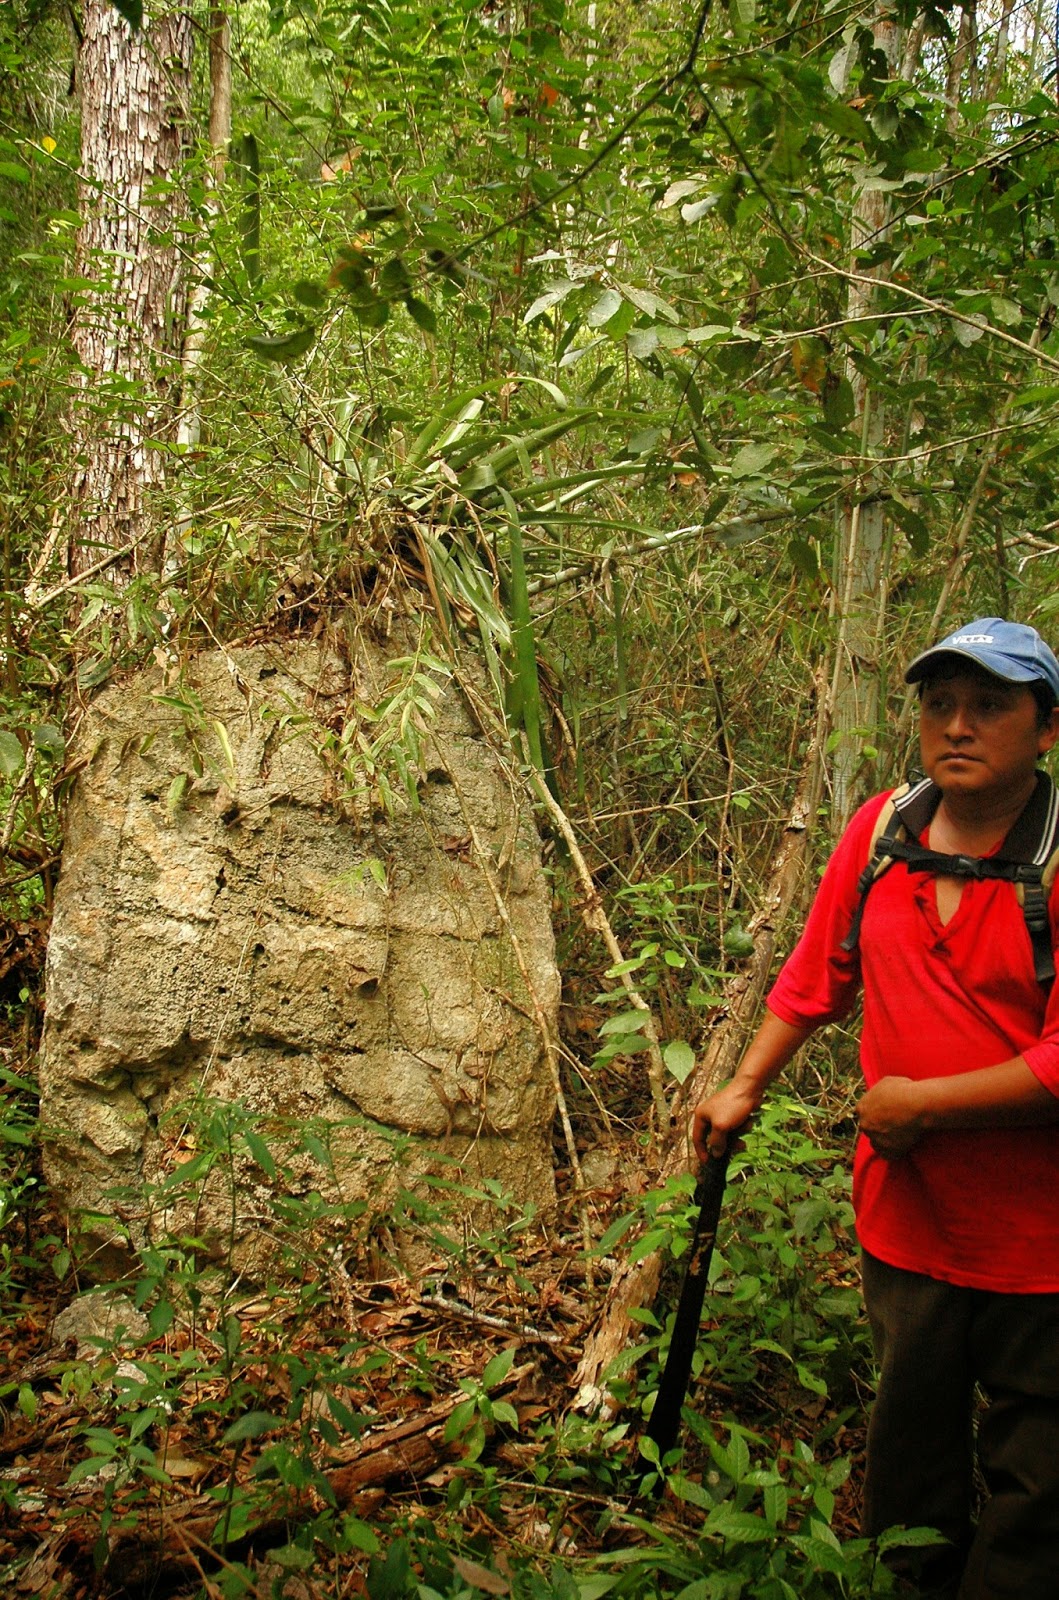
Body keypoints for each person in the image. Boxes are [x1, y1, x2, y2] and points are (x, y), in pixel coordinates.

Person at [692, 617, 1059, 1600]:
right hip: (909, 1222)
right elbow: (820, 975)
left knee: (1039, 1486)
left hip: (1043, 1245)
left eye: (990, 704)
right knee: (910, 1464)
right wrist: (745, 1083)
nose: (958, 725)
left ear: (1046, 729)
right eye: (940, 703)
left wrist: (924, 1106)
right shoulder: (881, 832)